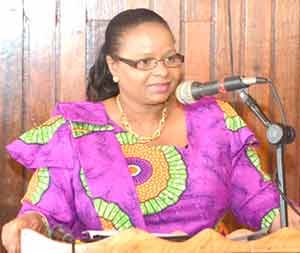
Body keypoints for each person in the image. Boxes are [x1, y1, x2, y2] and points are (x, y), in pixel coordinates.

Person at [2, 8, 299, 253]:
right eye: (145, 62)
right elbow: (44, 212)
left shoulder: (216, 120)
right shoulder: (74, 130)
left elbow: (259, 199)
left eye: (170, 59)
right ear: (114, 66)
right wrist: (31, 222)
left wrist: (290, 226)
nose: (162, 72)